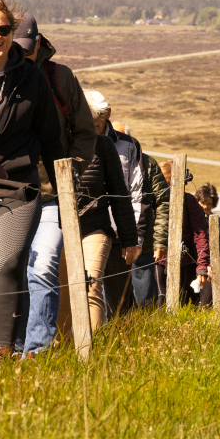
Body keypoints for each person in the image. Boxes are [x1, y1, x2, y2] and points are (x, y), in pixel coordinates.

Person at [0, 0, 65, 365]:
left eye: (3, 29)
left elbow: (52, 138)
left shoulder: (32, 80)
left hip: (19, 188)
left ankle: (4, 356)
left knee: (7, 265)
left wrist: (66, 194)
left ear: (11, 34)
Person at [14, 13, 97, 355]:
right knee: (8, 271)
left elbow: (85, 132)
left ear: (39, 45)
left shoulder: (60, 77)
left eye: (27, 49)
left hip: (51, 194)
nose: (22, 54)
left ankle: (37, 351)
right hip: (5, 193)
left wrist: (69, 172)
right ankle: (5, 349)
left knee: (45, 262)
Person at [56, 132, 140, 334]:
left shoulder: (103, 145)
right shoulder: (52, 140)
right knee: (63, 295)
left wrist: (129, 239)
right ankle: (64, 354)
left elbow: (119, 193)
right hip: (60, 230)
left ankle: (92, 349)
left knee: (91, 285)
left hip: (95, 226)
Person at [85, 94, 143, 318]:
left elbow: (136, 191)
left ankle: (120, 341)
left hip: (119, 230)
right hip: (88, 225)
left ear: (108, 113)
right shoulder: (73, 141)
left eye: (99, 114)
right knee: (90, 285)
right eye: (90, 114)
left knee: (119, 298)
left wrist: (133, 234)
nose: (94, 119)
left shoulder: (128, 144)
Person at [153, 161, 210, 306]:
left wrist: (202, 266)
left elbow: (200, 235)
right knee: (159, 301)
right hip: (156, 261)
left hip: (186, 262)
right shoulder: (152, 199)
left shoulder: (189, 202)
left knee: (184, 303)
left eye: (168, 184)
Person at [132, 151, 169, 307]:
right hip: (110, 241)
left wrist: (160, 241)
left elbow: (163, 203)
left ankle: (146, 329)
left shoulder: (147, 163)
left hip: (144, 244)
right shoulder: (96, 154)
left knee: (145, 301)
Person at [195, 183, 220, 308]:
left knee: (206, 305)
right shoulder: (190, 220)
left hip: (212, 271)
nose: (205, 206)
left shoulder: (219, 222)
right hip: (190, 267)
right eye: (202, 202)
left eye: (209, 203)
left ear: (214, 204)